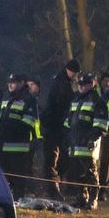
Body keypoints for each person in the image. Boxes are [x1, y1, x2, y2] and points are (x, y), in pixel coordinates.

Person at [64, 72, 109, 209]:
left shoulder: (97, 101)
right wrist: (67, 139)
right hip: (75, 143)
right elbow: (69, 122)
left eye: (85, 85)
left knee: (90, 173)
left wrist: (91, 139)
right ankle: (81, 198)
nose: (82, 87)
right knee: (77, 174)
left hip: (88, 144)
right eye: (80, 85)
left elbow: (100, 125)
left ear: (92, 85)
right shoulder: (76, 100)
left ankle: (93, 199)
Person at [41, 59, 80, 199]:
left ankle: (53, 186)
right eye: (74, 72)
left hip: (57, 127)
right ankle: (52, 189)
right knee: (52, 159)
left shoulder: (60, 81)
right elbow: (58, 105)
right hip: (54, 127)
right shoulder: (62, 83)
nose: (75, 75)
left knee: (61, 158)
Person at [0, 74, 38, 197]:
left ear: (21, 83)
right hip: (3, 144)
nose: (10, 85)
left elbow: (29, 122)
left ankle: (18, 197)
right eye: (9, 82)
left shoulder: (29, 99)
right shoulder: (5, 97)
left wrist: (11, 130)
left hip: (18, 145)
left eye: (13, 82)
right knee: (3, 175)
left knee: (18, 175)